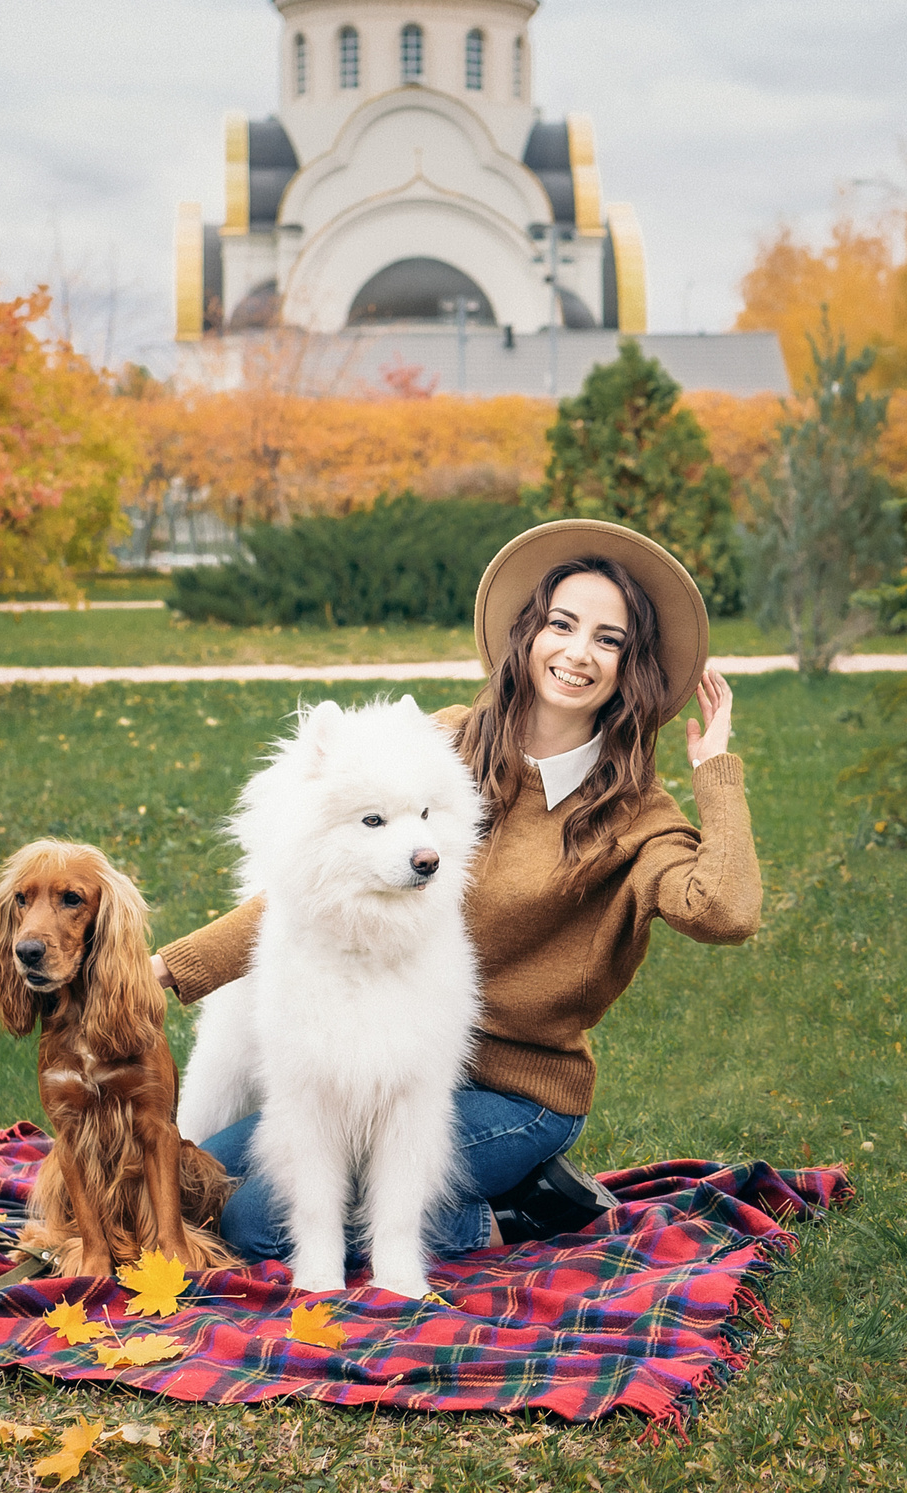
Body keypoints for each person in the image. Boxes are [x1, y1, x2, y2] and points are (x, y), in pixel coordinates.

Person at [152, 518, 763, 1263]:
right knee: (199, 1177)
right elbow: (314, 891)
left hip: (516, 1093)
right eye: (562, 624)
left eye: (608, 639)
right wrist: (165, 971)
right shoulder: (444, 744)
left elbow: (727, 910)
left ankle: (530, 1213)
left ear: (629, 666)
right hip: (389, 1058)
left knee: (257, 1224)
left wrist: (715, 770)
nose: (578, 652)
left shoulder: (635, 815)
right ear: (528, 633)